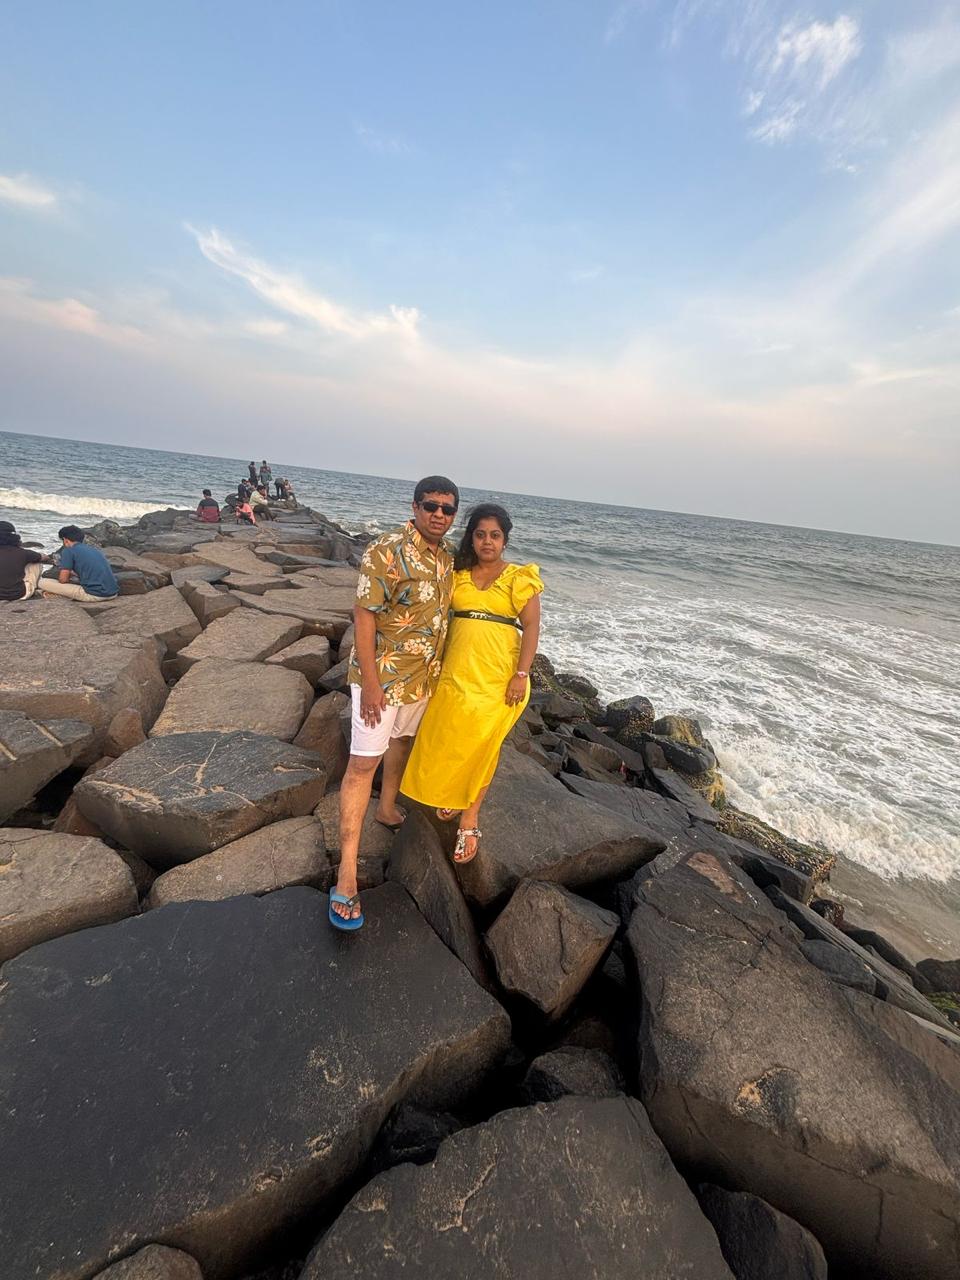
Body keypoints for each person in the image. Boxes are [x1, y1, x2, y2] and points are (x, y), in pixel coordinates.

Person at [330, 476, 459, 930]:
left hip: (422, 681)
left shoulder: (447, 558)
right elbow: (363, 616)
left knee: (401, 745)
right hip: (381, 681)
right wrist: (369, 681)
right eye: (431, 506)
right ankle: (346, 873)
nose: (439, 514)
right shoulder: (385, 550)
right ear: (416, 506)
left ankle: (386, 808)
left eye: (447, 508)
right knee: (362, 765)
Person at [401, 504, 543, 865]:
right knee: (447, 738)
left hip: (497, 680)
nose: (487, 541)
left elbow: (532, 630)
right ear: (472, 537)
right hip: (455, 674)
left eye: (494, 535)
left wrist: (521, 674)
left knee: (483, 747)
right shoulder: (458, 572)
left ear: (505, 539)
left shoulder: (519, 577)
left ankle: (469, 817)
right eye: (480, 534)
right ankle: (451, 792)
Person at [40, 526, 119, 602]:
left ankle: (63, 597)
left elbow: (63, 580)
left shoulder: (69, 550)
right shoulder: (93, 550)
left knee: (42, 582)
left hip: (95, 595)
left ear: (65, 540)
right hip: (113, 593)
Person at [0, 521, 51, 602]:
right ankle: (34, 588)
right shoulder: (23, 553)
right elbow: (44, 557)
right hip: (18, 594)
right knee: (36, 563)